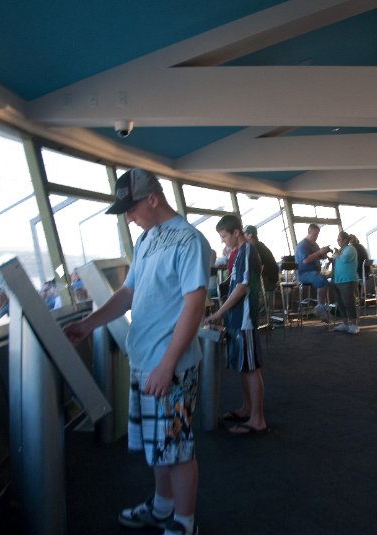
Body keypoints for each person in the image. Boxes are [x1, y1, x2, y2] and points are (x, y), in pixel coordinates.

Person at [64, 168, 210, 535]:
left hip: (170, 366)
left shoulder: (188, 240)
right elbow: (128, 294)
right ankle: (162, 507)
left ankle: (184, 523)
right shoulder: (146, 241)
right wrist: (87, 324)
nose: (128, 217)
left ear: (153, 199)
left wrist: (168, 364)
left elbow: (194, 306)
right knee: (157, 445)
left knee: (176, 447)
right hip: (146, 361)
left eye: (131, 208)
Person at [205, 216, 268, 434]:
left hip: (245, 320)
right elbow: (234, 284)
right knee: (244, 366)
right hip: (237, 318)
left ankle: (257, 420)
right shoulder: (239, 253)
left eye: (224, 236)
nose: (224, 242)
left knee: (251, 368)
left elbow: (241, 287)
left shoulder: (248, 251)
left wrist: (220, 312)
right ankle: (247, 408)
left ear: (236, 233)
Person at [295, 223, 332, 321]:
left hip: (313, 272)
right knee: (322, 281)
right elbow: (306, 260)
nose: (316, 237)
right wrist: (319, 252)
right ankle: (320, 307)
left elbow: (318, 256)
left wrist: (324, 253)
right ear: (309, 232)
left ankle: (321, 307)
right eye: (315, 234)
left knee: (325, 281)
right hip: (303, 274)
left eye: (317, 235)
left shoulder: (314, 245)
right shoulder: (302, 245)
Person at [331, 231, 360, 334]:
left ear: (344, 240)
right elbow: (335, 259)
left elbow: (344, 259)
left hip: (348, 280)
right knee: (341, 303)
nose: (337, 241)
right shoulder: (341, 250)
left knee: (349, 303)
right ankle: (345, 324)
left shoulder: (350, 249)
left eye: (339, 239)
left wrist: (338, 254)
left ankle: (353, 325)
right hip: (338, 280)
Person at [243, 225, 279, 293]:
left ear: (250, 235)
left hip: (268, 281)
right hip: (271, 279)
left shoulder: (256, 247)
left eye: (244, 234)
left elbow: (259, 266)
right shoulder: (259, 245)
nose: (242, 237)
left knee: (242, 285)